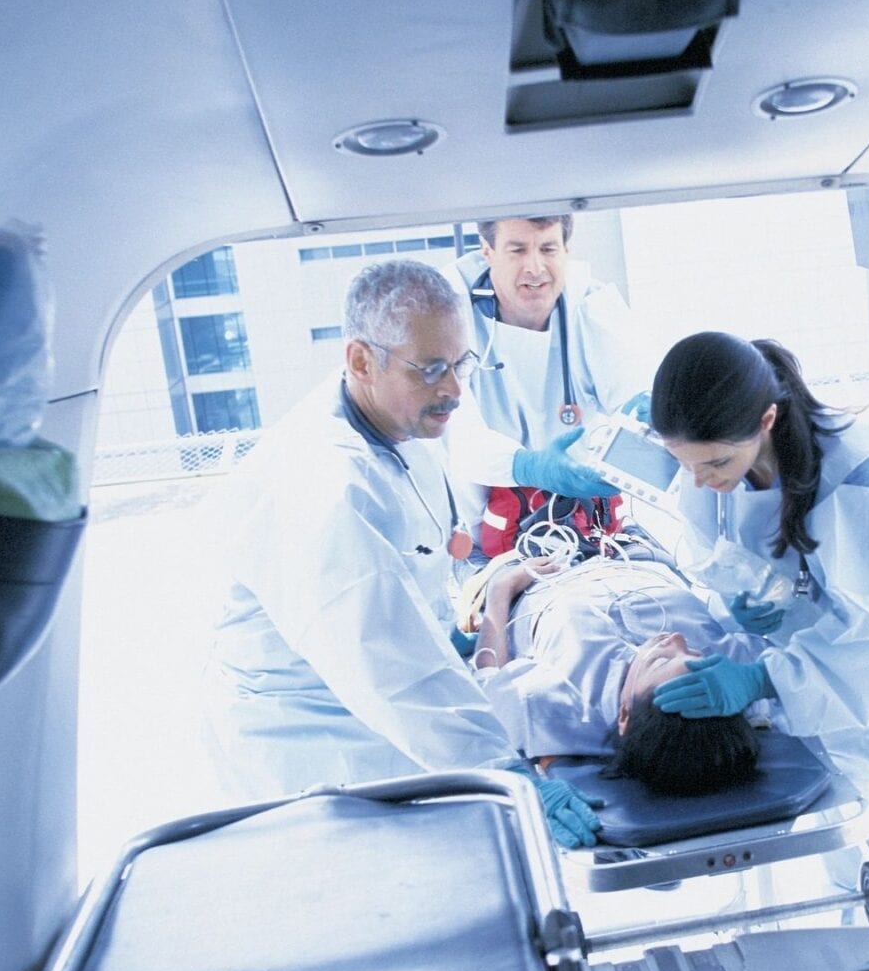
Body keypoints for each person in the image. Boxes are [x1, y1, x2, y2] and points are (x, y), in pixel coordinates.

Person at [202, 259, 600, 845]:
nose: (455, 390)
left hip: (381, 703)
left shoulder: (397, 416)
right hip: (310, 737)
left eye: (462, 364)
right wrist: (508, 775)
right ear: (361, 360)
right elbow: (391, 665)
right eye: (432, 369)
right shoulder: (325, 486)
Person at [647, 332, 869, 928]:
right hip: (826, 710)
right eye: (684, 464)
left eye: (715, 463)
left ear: (767, 419)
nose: (701, 480)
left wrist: (761, 676)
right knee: (848, 881)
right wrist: (741, 602)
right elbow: (715, 548)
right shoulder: (717, 466)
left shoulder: (860, 476)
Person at [458, 552, 765, 796]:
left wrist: (502, 590)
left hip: (526, 569)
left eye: (658, 661)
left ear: (624, 714)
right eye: (696, 653)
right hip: (644, 554)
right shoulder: (731, 676)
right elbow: (798, 664)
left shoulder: (553, 706)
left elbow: (489, 677)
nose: (676, 640)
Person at [443, 214, 658, 558]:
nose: (535, 267)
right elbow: (453, 437)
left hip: (590, 530)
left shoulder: (591, 302)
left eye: (548, 249)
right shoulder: (448, 312)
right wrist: (532, 467)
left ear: (567, 250)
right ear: (487, 250)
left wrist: (649, 415)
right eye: (517, 250)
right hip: (487, 543)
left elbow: (637, 393)